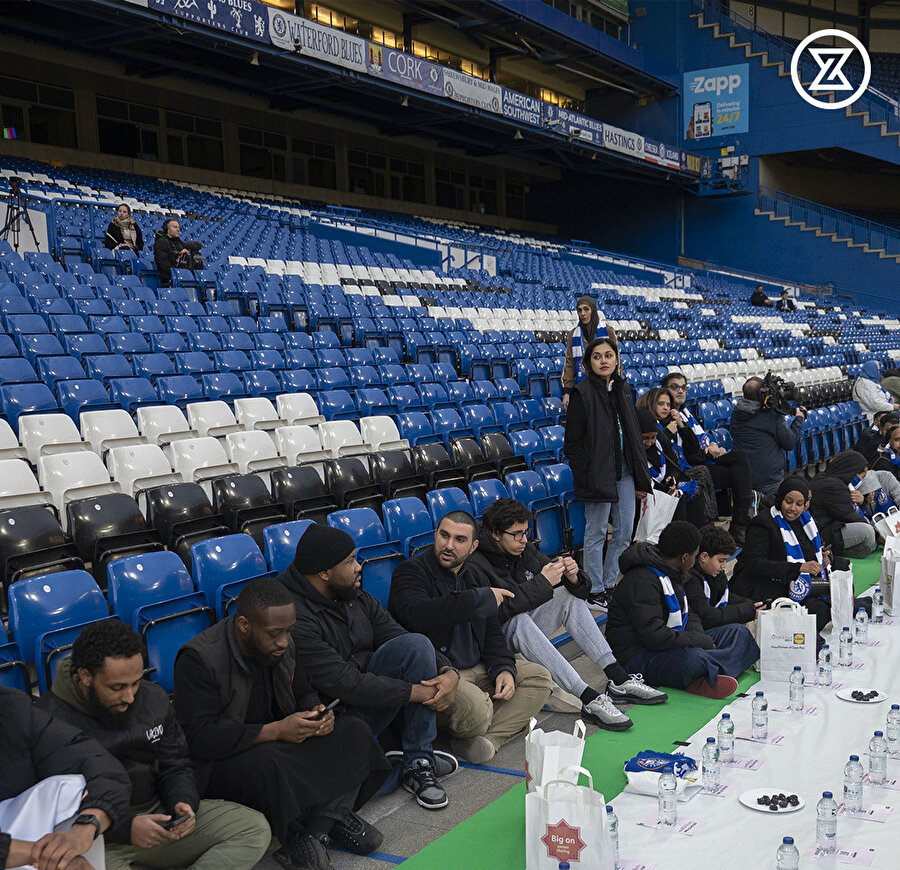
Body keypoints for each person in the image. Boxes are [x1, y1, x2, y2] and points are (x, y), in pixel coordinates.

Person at [174, 579, 390, 870]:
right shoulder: (199, 659)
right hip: (227, 759)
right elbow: (199, 738)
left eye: (288, 631)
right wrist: (274, 731)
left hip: (279, 738)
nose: (284, 642)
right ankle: (314, 825)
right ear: (244, 625)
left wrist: (315, 712)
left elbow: (303, 690)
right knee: (271, 763)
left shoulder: (283, 644)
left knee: (353, 732)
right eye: (275, 634)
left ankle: (318, 828)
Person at [36, 620, 271, 870]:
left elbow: (176, 763)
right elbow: (54, 811)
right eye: (117, 687)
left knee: (253, 829)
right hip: (99, 836)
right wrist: (126, 828)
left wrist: (182, 802)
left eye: (136, 682)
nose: (129, 697)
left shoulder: (152, 698)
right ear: (85, 676)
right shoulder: (48, 723)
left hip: (159, 813)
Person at [278, 523, 458, 811]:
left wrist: (448, 672)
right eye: (350, 561)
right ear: (325, 573)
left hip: (369, 693)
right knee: (350, 789)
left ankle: (418, 761)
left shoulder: (349, 592)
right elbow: (345, 683)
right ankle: (397, 765)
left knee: (415, 645)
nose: (359, 567)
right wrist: (421, 693)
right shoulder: (292, 615)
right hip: (332, 718)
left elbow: (396, 634)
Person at [467, 499, 667, 731]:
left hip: (520, 625)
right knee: (518, 621)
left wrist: (573, 576)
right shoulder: (476, 563)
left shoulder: (523, 549)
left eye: (526, 533)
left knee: (566, 596)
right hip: (489, 639)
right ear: (495, 534)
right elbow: (498, 612)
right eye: (516, 534)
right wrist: (543, 582)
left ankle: (618, 678)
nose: (523, 540)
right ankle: (588, 698)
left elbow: (575, 590)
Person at [388, 512, 553, 762]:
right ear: (435, 535)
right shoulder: (410, 572)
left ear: (473, 546)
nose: (449, 545)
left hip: (478, 667)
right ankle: (485, 724)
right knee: (477, 713)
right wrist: (477, 600)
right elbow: (418, 614)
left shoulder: (475, 575)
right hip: (440, 672)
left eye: (460, 539)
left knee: (539, 678)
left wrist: (503, 668)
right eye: (444, 535)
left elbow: (493, 633)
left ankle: (486, 739)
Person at [606, 521, 760, 700]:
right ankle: (706, 673)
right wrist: (695, 641)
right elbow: (653, 636)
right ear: (685, 558)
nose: (695, 561)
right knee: (692, 658)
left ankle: (706, 673)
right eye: (695, 556)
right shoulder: (641, 581)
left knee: (738, 633)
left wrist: (698, 637)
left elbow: (689, 612)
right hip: (638, 654)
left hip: (672, 640)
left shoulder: (672, 571)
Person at [563, 333, 651, 607]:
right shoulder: (582, 393)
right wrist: (585, 475)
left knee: (624, 531)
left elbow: (633, 434)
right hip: (596, 473)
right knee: (597, 532)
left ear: (616, 360)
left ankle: (610, 583)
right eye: (597, 356)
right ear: (588, 362)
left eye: (608, 356)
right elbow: (573, 443)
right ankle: (594, 589)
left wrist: (640, 475)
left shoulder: (623, 389)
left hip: (625, 470)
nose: (603, 361)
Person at [1, 686, 130, 870]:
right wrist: (41, 855)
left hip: (16, 835)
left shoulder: (11, 708)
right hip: (14, 852)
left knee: (77, 787)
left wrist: (86, 827)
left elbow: (99, 763)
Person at [661, 372, 755, 542]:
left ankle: (741, 522)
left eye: (683, 387)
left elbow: (703, 436)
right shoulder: (668, 417)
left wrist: (712, 444)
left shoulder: (686, 412)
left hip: (703, 457)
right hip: (691, 466)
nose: (680, 391)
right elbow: (688, 450)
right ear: (664, 390)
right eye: (675, 387)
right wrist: (708, 449)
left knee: (738, 467)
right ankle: (741, 523)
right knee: (738, 464)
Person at [732, 477, 835, 633]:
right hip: (766, 584)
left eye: (799, 504)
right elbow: (754, 564)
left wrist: (824, 557)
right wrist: (798, 568)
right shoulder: (763, 523)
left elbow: (813, 550)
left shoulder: (805, 520)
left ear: (805, 505)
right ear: (780, 499)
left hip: (793, 580)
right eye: (789, 502)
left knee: (840, 569)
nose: (793, 508)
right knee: (819, 611)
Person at [637, 387, 718, 527]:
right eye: (661, 404)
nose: (665, 408)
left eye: (668, 404)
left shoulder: (674, 421)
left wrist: (682, 425)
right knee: (697, 478)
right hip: (650, 486)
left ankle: (706, 527)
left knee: (694, 486)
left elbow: (691, 449)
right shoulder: (647, 425)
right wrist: (667, 432)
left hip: (675, 473)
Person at [730, 376, 806, 498]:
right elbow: (789, 443)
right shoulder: (771, 416)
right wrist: (799, 418)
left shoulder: (736, 412)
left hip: (743, 478)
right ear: (763, 394)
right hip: (769, 481)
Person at [686, 525, 761, 629]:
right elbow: (707, 617)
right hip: (698, 630)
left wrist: (753, 605)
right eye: (721, 560)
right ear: (704, 557)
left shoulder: (716, 574)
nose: (724, 565)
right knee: (737, 630)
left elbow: (725, 596)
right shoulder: (690, 579)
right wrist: (745, 611)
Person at [808, 451, 877, 558]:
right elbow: (850, 516)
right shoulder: (833, 486)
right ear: (852, 471)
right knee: (868, 533)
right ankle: (833, 555)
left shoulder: (828, 479)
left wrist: (863, 502)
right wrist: (878, 536)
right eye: (862, 477)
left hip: (830, 527)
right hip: (823, 535)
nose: (861, 480)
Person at [561, 297, 617, 410]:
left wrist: (615, 386)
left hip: (605, 388)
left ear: (593, 310)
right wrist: (567, 392)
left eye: (586, 309)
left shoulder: (608, 331)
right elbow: (569, 364)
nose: (582, 313)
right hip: (583, 389)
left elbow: (617, 360)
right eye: (579, 310)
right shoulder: (573, 334)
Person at [153, 218, 201, 287]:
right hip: (169, 278)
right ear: (167, 229)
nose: (178, 229)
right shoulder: (161, 242)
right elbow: (163, 263)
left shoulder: (179, 243)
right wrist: (178, 273)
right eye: (175, 227)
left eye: (178, 227)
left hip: (181, 276)